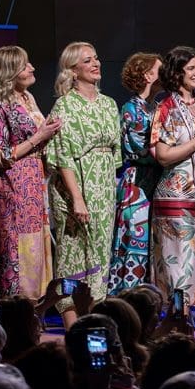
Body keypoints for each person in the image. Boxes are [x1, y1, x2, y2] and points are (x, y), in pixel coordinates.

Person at [48, 42, 121, 326]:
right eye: (87, 60)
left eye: (96, 58)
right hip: (74, 186)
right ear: (73, 70)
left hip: (103, 188)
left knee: (100, 254)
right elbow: (63, 155)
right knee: (73, 256)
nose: (96, 63)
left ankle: (93, 322)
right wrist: (77, 198)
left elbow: (115, 155)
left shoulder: (108, 104)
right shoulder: (65, 105)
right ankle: (71, 327)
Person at [0, 45, 60, 298]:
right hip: (14, 180)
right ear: (9, 71)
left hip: (34, 178)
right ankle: (17, 302)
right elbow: (2, 154)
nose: (31, 68)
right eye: (25, 65)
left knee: (36, 242)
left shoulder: (27, 97)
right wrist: (40, 136)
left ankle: (35, 303)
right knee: (18, 243)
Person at [150, 46, 195, 311]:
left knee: (194, 265)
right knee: (177, 265)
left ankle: (187, 318)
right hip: (175, 197)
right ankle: (176, 317)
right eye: (190, 68)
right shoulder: (165, 107)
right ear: (176, 72)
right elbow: (163, 156)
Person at [108, 51, 162, 294]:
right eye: (160, 70)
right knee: (135, 241)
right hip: (137, 185)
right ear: (148, 75)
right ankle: (129, 296)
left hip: (156, 181)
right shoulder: (132, 109)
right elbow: (138, 149)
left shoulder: (158, 107)